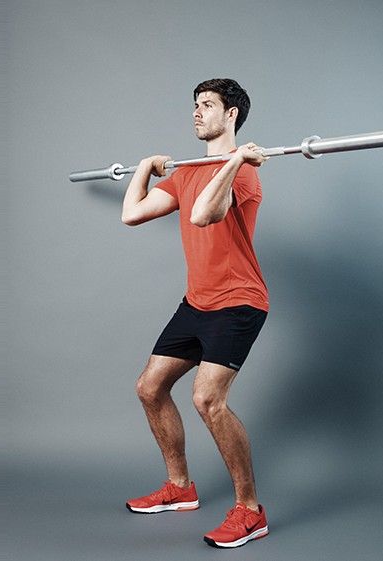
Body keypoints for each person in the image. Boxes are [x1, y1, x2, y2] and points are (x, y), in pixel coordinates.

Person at [119, 78, 271, 549]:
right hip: (197, 302)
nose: (197, 112)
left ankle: (250, 511)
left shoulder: (243, 174)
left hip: (239, 302)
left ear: (231, 114)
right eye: (195, 105)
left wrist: (235, 161)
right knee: (149, 387)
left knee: (207, 400)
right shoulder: (187, 173)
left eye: (207, 104)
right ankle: (180, 488)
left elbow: (204, 214)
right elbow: (132, 213)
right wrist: (144, 169)